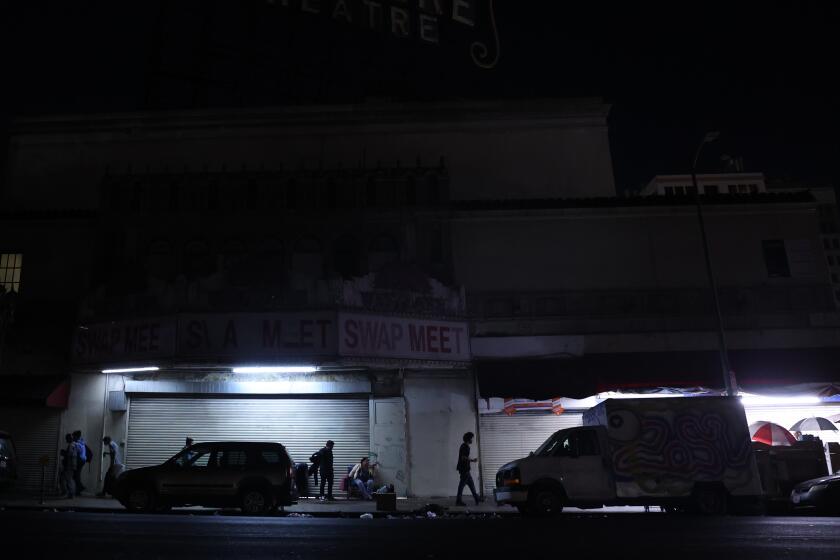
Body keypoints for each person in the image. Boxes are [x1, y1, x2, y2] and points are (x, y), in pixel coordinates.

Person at [455, 431, 480, 506]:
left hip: (465, 469)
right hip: (464, 469)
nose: (472, 440)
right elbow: (463, 457)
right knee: (462, 485)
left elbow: (463, 457)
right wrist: (472, 460)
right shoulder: (465, 447)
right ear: (468, 439)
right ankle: (458, 501)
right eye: (471, 438)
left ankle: (476, 498)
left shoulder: (463, 445)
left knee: (471, 484)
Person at [59, 433, 77, 499]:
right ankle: (68, 493)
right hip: (71, 466)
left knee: (66, 479)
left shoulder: (71, 445)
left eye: (67, 438)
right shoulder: (73, 445)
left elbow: (69, 455)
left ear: (69, 438)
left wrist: (63, 453)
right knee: (66, 479)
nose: (66, 439)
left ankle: (69, 493)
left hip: (69, 466)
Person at [72, 430, 86, 495]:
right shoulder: (82, 442)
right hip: (82, 459)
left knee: (76, 475)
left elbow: (75, 454)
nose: (73, 438)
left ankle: (80, 487)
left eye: (74, 436)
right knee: (76, 475)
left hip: (79, 460)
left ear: (77, 436)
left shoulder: (77, 444)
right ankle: (79, 489)